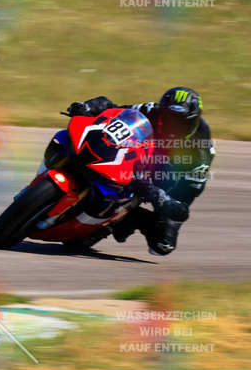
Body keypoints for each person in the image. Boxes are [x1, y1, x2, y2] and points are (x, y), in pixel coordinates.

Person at [66, 87, 214, 255]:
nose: (173, 127)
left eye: (180, 123)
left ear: (193, 122)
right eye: (169, 119)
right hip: (138, 159)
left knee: (162, 245)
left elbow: (182, 209)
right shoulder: (153, 110)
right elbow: (114, 109)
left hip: (168, 183)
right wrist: (88, 107)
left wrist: (154, 193)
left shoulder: (200, 153)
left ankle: (129, 218)